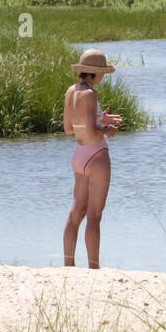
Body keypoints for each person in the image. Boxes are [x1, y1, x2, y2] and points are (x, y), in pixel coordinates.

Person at [62, 49, 122, 268]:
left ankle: (68, 266)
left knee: (75, 213)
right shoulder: (91, 94)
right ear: (95, 74)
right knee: (94, 215)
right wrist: (107, 129)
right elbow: (93, 131)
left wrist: (100, 118)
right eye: (102, 74)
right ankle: (94, 268)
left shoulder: (71, 91)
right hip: (96, 155)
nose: (103, 78)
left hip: (78, 155)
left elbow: (69, 129)